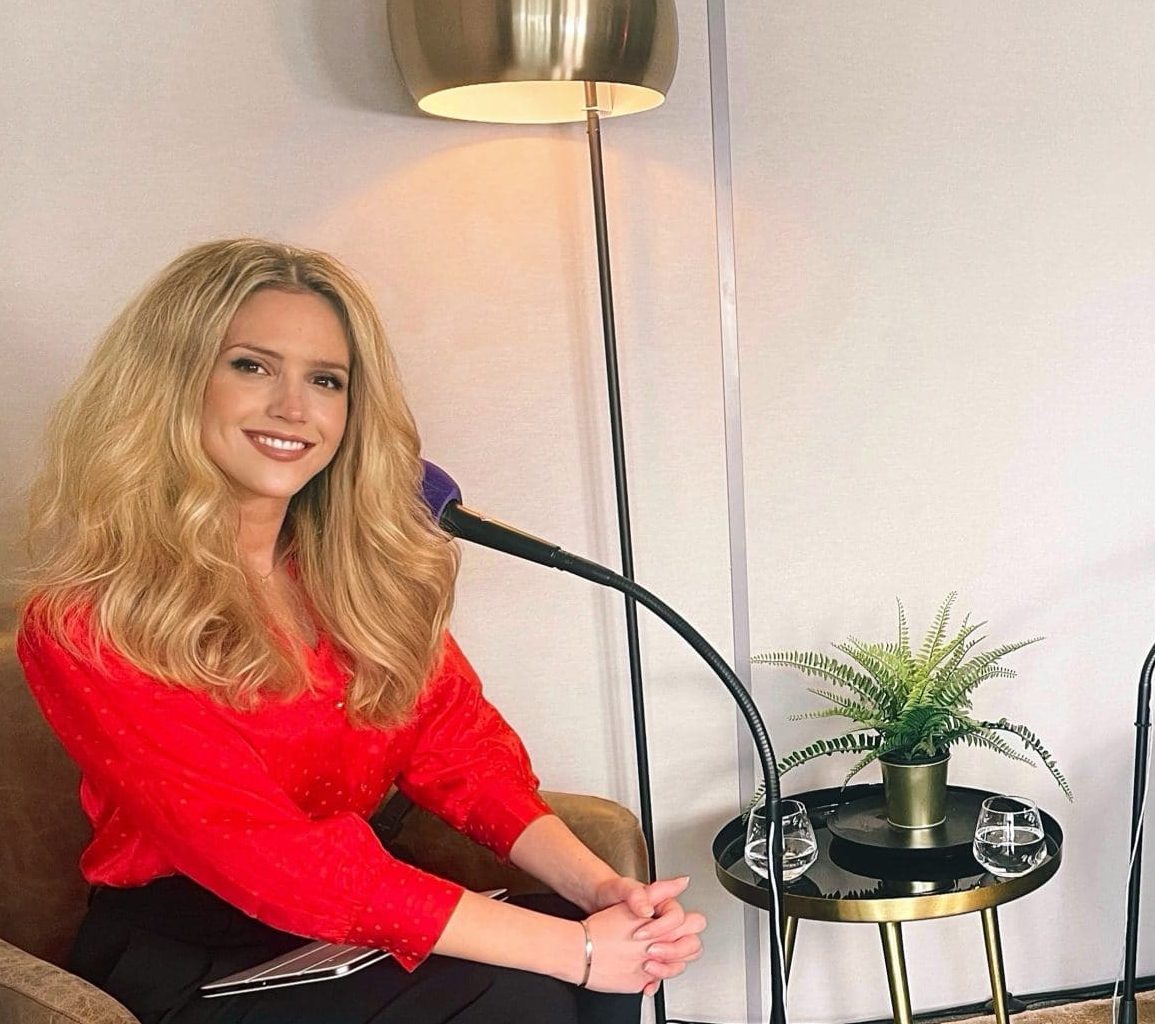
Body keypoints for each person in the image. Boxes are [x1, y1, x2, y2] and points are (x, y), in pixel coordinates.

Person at [17, 238, 705, 1023]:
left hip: (349, 921)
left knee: (585, 971)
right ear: (171, 383)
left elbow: (461, 751)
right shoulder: (88, 620)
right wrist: (576, 952)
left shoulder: (356, 581)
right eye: (251, 366)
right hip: (194, 946)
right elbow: (271, 859)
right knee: (528, 989)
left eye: (326, 380)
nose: (294, 408)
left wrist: (602, 892)